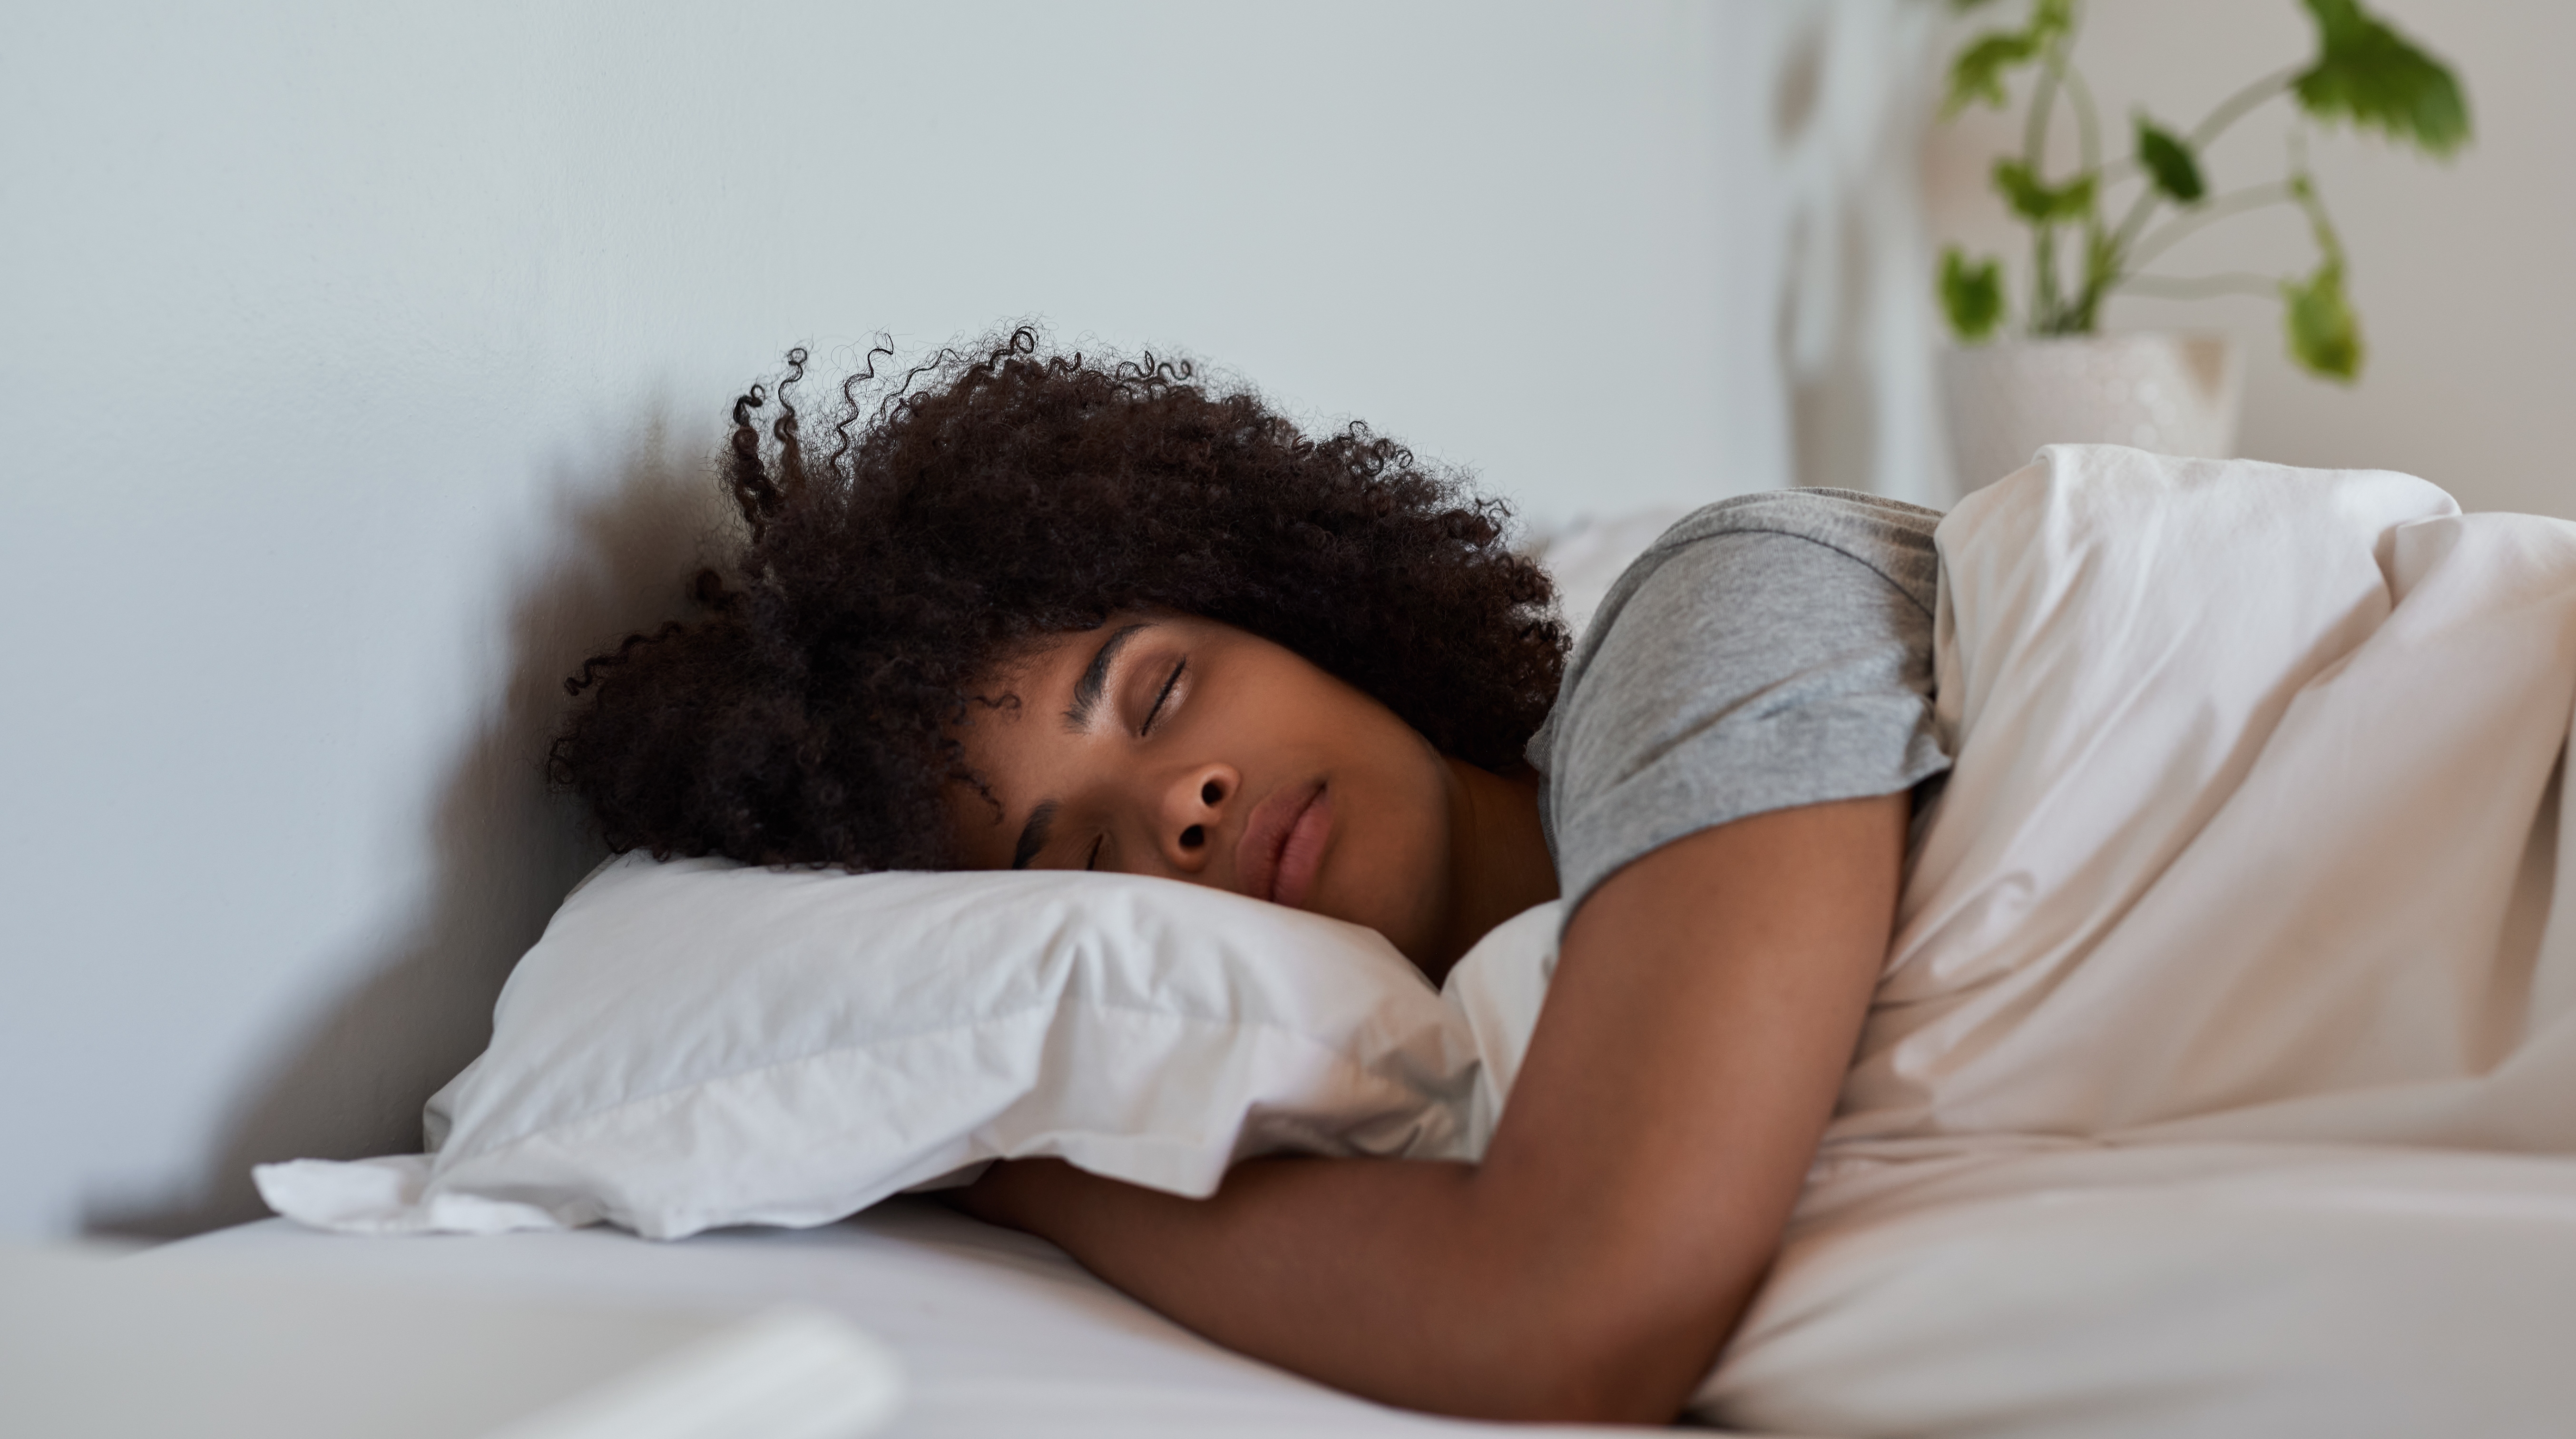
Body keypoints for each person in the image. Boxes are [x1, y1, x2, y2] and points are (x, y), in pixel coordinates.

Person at [552, 329, 1949, 1423]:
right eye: (1088, 859)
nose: (1182, 802)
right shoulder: (1465, 1032)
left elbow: (1574, 1325)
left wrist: (1024, 1170)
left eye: (1158, 695)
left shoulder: (1709, 614)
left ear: (1293, 607)